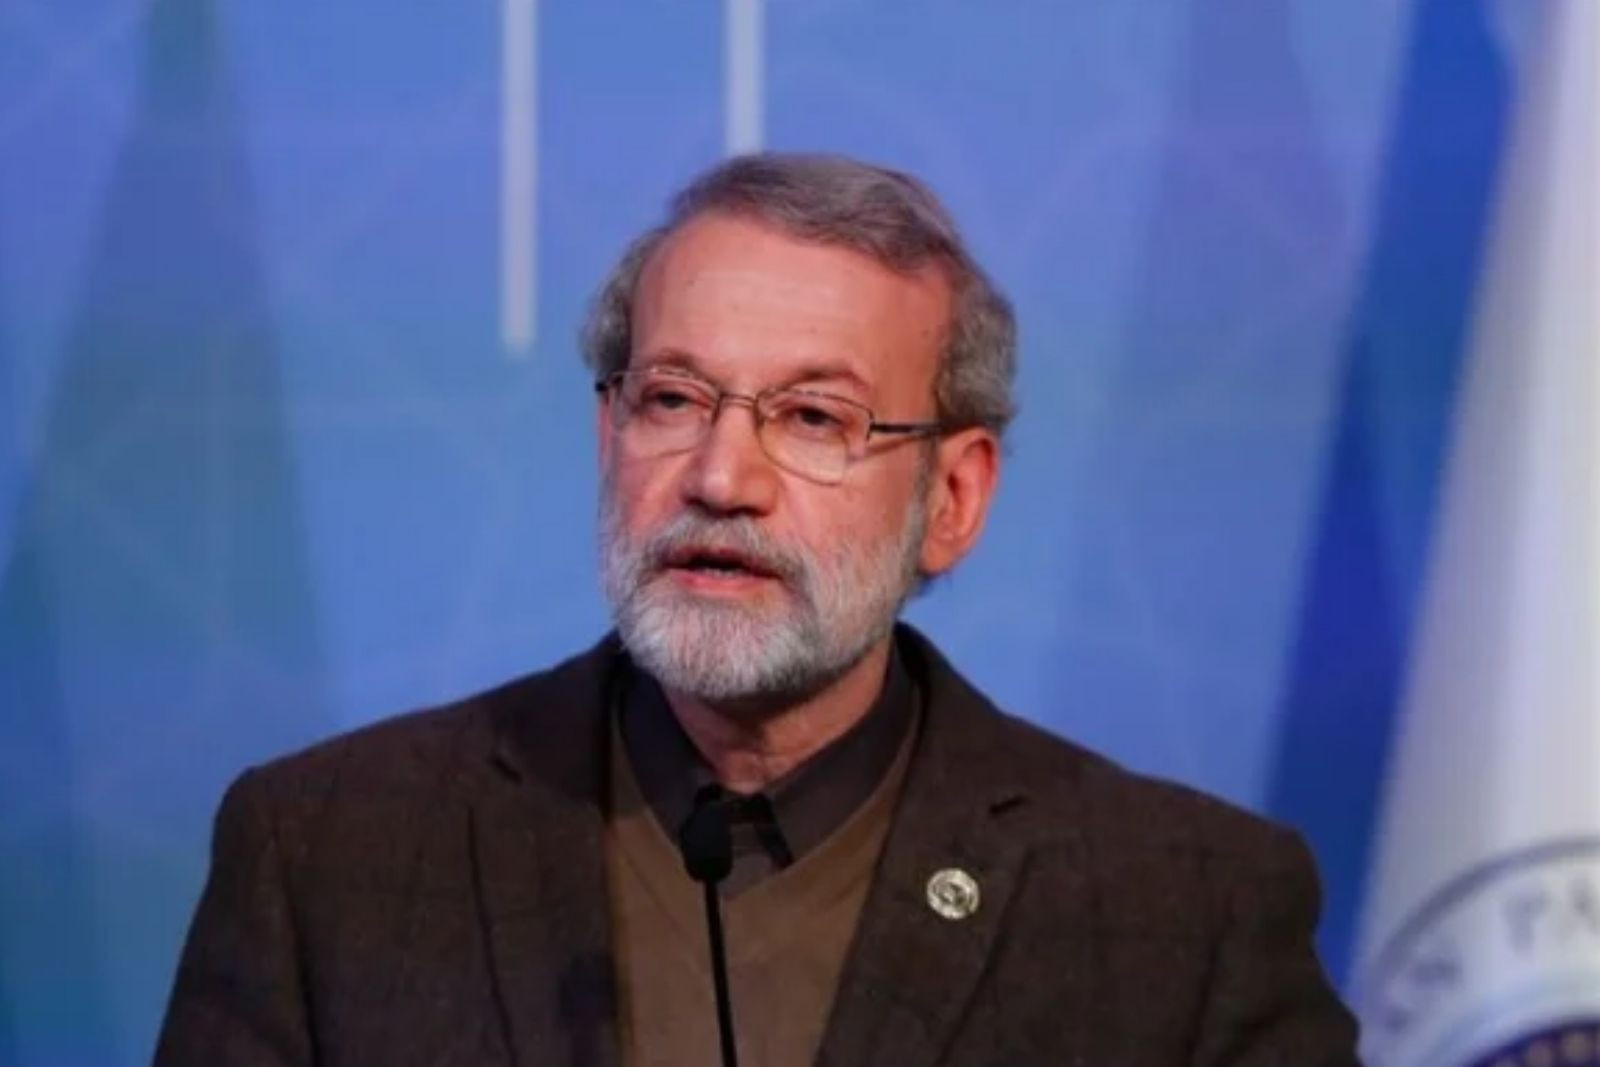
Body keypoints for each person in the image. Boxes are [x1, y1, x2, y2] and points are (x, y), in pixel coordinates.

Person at [155, 152, 1359, 1066]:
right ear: (609, 432)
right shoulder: (328, 855)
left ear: (951, 497)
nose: (721, 476)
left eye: (814, 417)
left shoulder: (1183, 911)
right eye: (673, 398)